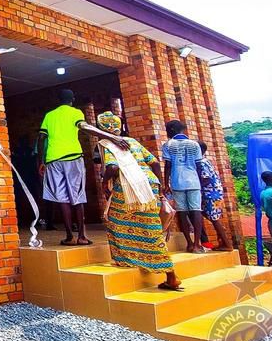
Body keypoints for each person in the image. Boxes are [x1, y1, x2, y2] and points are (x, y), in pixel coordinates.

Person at [96, 112, 182, 290]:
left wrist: (104, 183)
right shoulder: (132, 141)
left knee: (118, 222)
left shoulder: (107, 144)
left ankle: (170, 274)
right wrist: (160, 186)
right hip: (150, 184)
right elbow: (155, 163)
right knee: (148, 226)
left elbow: (113, 167)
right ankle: (137, 260)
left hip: (129, 187)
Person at [38, 89, 129, 246]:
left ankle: (69, 237)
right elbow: (84, 126)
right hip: (73, 157)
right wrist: (112, 136)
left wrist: (41, 161)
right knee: (78, 196)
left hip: (53, 160)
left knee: (62, 199)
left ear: (58, 100)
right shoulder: (75, 112)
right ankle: (81, 236)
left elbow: (41, 138)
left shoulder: (49, 115)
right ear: (72, 99)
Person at [161, 120, 221, 253]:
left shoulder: (168, 145)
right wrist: (198, 181)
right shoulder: (194, 145)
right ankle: (197, 245)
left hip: (177, 182)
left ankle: (189, 243)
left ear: (171, 130)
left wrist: (166, 184)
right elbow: (199, 166)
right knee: (196, 210)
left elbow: (168, 165)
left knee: (182, 212)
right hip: (194, 182)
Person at [197, 142, 234, 251]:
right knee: (208, 215)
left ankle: (227, 245)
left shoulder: (201, 162)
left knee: (214, 218)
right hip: (213, 193)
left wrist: (197, 187)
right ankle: (222, 238)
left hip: (210, 193)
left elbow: (206, 178)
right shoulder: (205, 161)